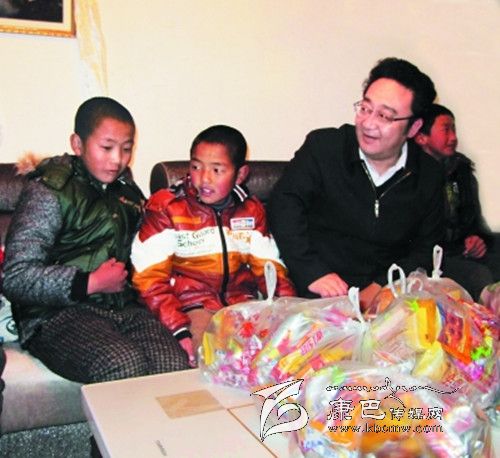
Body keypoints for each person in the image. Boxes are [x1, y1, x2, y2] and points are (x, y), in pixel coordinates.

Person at [3, 97, 189, 383]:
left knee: (174, 366)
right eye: (107, 147)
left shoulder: (127, 191)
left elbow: (147, 254)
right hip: (55, 315)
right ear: (78, 144)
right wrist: (89, 282)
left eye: (126, 149)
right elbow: (16, 276)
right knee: (122, 364)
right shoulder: (49, 190)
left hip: (123, 306)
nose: (117, 159)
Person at [268, 57, 444, 308]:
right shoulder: (324, 148)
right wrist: (312, 272)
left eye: (384, 116)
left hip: (389, 294)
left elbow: (427, 247)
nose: (368, 123)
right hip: (317, 290)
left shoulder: (428, 175)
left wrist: (381, 287)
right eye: (365, 108)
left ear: (414, 127)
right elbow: (283, 206)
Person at [131, 125, 296, 365]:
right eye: (196, 167)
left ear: (240, 174)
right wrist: (178, 328)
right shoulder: (168, 207)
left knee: (282, 353)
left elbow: (270, 270)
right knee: (213, 358)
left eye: (217, 170)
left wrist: (288, 311)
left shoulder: (250, 210)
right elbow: (148, 279)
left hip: (242, 304)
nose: (204, 178)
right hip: (191, 306)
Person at [414, 103, 499, 299]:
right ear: (421, 137)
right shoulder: (412, 176)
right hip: (432, 257)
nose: (453, 137)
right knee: (478, 275)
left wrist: (477, 239)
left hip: (461, 249)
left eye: (454, 129)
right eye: (446, 129)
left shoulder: (460, 170)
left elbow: (474, 220)